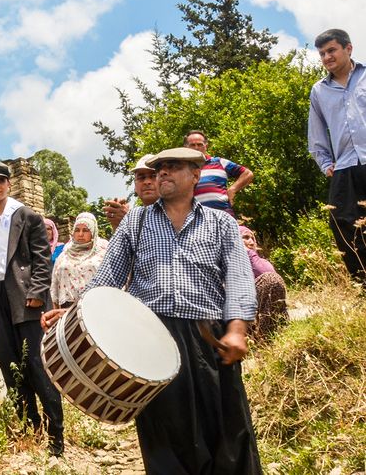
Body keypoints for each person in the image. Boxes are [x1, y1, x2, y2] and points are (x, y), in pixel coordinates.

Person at [45, 147, 260, 474]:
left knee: (227, 434)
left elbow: (240, 277)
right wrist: (76, 311)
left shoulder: (220, 223)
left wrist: (236, 330)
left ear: (195, 175)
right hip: (151, 342)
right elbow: (108, 277)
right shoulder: (137, 221)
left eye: (173, 167)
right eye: (159, 168)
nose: (162, 173)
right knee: (165, 438)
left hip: (209, 339)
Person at [0, 161, 64, 456]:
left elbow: (42, 257)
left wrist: (38, 292)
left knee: (37, 365)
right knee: (9, 363)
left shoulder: (27, 216)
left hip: (27, 296)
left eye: (1, 180)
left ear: (9, 184)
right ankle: (30, 427)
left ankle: (56, 435)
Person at [308, 27, 366, 284]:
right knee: (342, 224)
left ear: (348, 48)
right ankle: (362, 284)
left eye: (331, 50)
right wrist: (324, 163)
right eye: (322, 54)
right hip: (344, 166)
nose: (326, 57)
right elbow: (316, 130)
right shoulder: (319, 91)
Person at [184, 130, 254, 217]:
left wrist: (233, 189)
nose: (196, 148)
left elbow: (247, 174)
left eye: (199, 144)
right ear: (186, 147)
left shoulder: (219, 162)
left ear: (206, 146)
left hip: (224, 216)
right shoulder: (182, 169)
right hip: (198, 220)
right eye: (192, 145)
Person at [239, 225, 288, 340]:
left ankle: (266, 337)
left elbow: (269, 277)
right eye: (245, 237)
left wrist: (249, 253)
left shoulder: (261, 261)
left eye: (253, 238)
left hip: (262, 322)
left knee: (271, 280)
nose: (251, 242)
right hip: (237, 323)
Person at [50, 212, 108, 308]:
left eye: (85, 230)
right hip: (67, 310)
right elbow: (54, 287)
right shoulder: (64, 254)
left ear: (93, 232)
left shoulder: (103, 251)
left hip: (98, 307)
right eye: (77, 230)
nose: (80, 234)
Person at [102, 154, 157, 230]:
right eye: (141, 177)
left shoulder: (176, 214)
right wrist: (118, 226)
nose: (147, 182)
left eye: (153, 176)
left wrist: (129, 220)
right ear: (135, 186)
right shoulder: (133, 217)